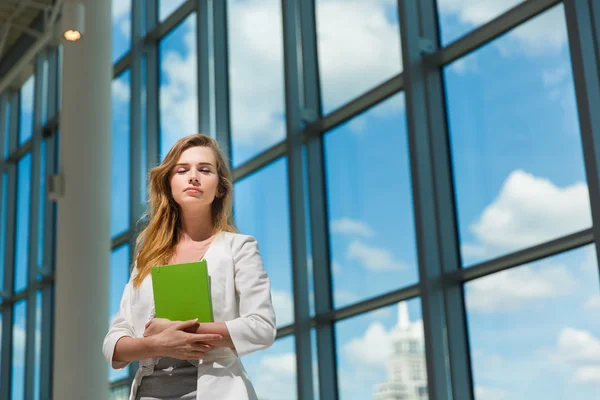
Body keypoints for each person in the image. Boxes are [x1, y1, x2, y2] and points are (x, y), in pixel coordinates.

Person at [103, 134, 277, 400]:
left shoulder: (239, 248)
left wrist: (177, 332)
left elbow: (261, 327)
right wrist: (155, 344)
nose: (193, 177)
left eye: (205, 170)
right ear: (169, 183)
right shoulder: (147, 255)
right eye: (182, 170)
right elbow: (115, 340)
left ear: (220, 188)